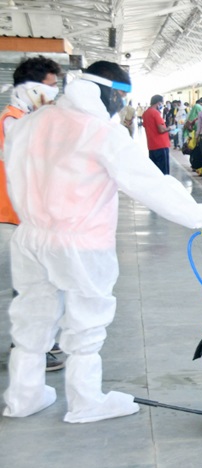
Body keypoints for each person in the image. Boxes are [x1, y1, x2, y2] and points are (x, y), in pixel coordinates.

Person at [2, 60, 202, 423]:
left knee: (32, 317)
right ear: (105, 91)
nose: (121, 105)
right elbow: (149, 183)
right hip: (80, 241)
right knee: (86, 322)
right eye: (121, 97)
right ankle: (86, 401)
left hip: (30, 236)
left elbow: (14, 174)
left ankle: (24, 397)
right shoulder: (99, 131)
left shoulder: (30, 123)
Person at [0, 55, 64, 372]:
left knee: (40, 280)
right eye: (50, 87)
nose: (54, 94)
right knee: (28, 285)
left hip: (29, 215)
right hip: (14, 215)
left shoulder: (27, 117)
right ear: (30, 88)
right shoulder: (12, 120)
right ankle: (26, 346)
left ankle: (40, 341)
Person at [142, 95, 172, 174]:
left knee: (155, 172)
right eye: (162, 103)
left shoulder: (145, 113)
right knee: (164, 172)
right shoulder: (156, 113)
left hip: (152, 145)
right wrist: (169, 128)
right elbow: (161, 130)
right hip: (161, 145)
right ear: (158, 103)